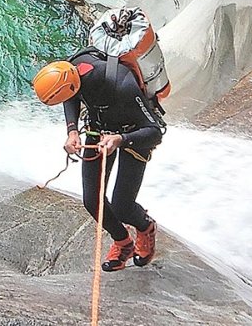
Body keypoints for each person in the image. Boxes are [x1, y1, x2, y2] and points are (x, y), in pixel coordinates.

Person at [32, 50, 166, 271]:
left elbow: (155, 131)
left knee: (122, 206)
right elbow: (71, 96)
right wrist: (72, 131)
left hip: (133, 135)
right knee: (92, 200)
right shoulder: (71, 69)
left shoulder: (122, 85)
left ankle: (145, 227)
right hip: (99, 130)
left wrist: (120, 139)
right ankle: (123, 243)